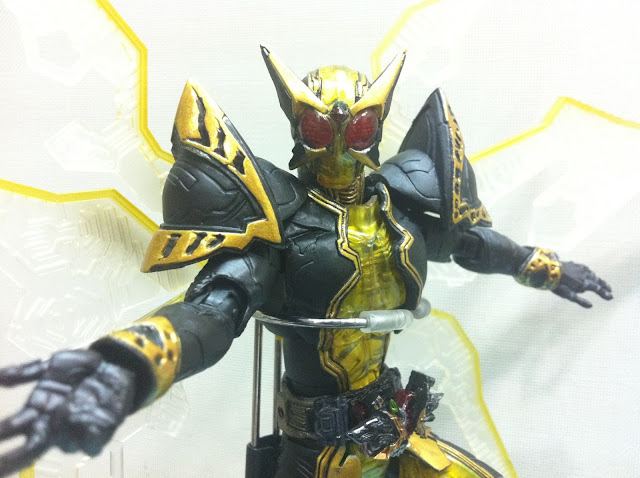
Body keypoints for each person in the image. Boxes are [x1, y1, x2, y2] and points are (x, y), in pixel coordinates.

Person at [0, 47, 612, 478]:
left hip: (394, 424)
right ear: (299, 130)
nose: (341, 146)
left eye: (359, 127)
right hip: (317, 454)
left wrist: (544, 265)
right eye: (321, 129)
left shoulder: (402, 210)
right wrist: (130, 363)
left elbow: (471, 245)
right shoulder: (283, 227)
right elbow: (213, 310)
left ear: (377, 127)